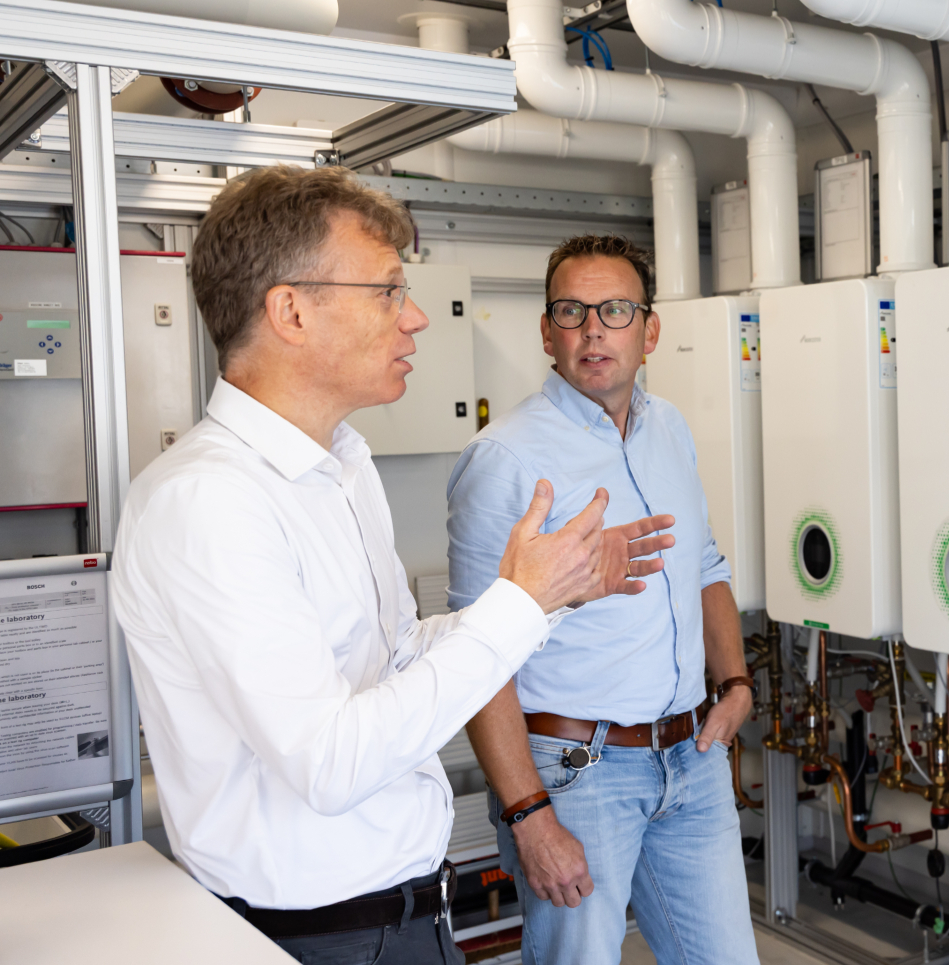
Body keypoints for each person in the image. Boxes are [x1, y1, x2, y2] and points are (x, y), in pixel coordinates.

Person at [112, 166, 674, 964]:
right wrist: (516, 606)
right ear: (291, 310)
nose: (414, 319)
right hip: (316, 939)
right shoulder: (208, 503)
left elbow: (395, 656)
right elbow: (331, 763)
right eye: (385, 291)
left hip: (405, 916)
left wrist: (549, 595)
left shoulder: (341, 465)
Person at [446, 235, 755, 965]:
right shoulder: (507, 458)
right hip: (577, 773)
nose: (593, 330)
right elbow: (475, 658)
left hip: (692, 757)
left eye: (614, 310)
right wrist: (528, 815)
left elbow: (705, 568)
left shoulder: (669, 428)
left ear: (649, 331)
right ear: (546, 331)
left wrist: (736, 682)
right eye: (572, 311)